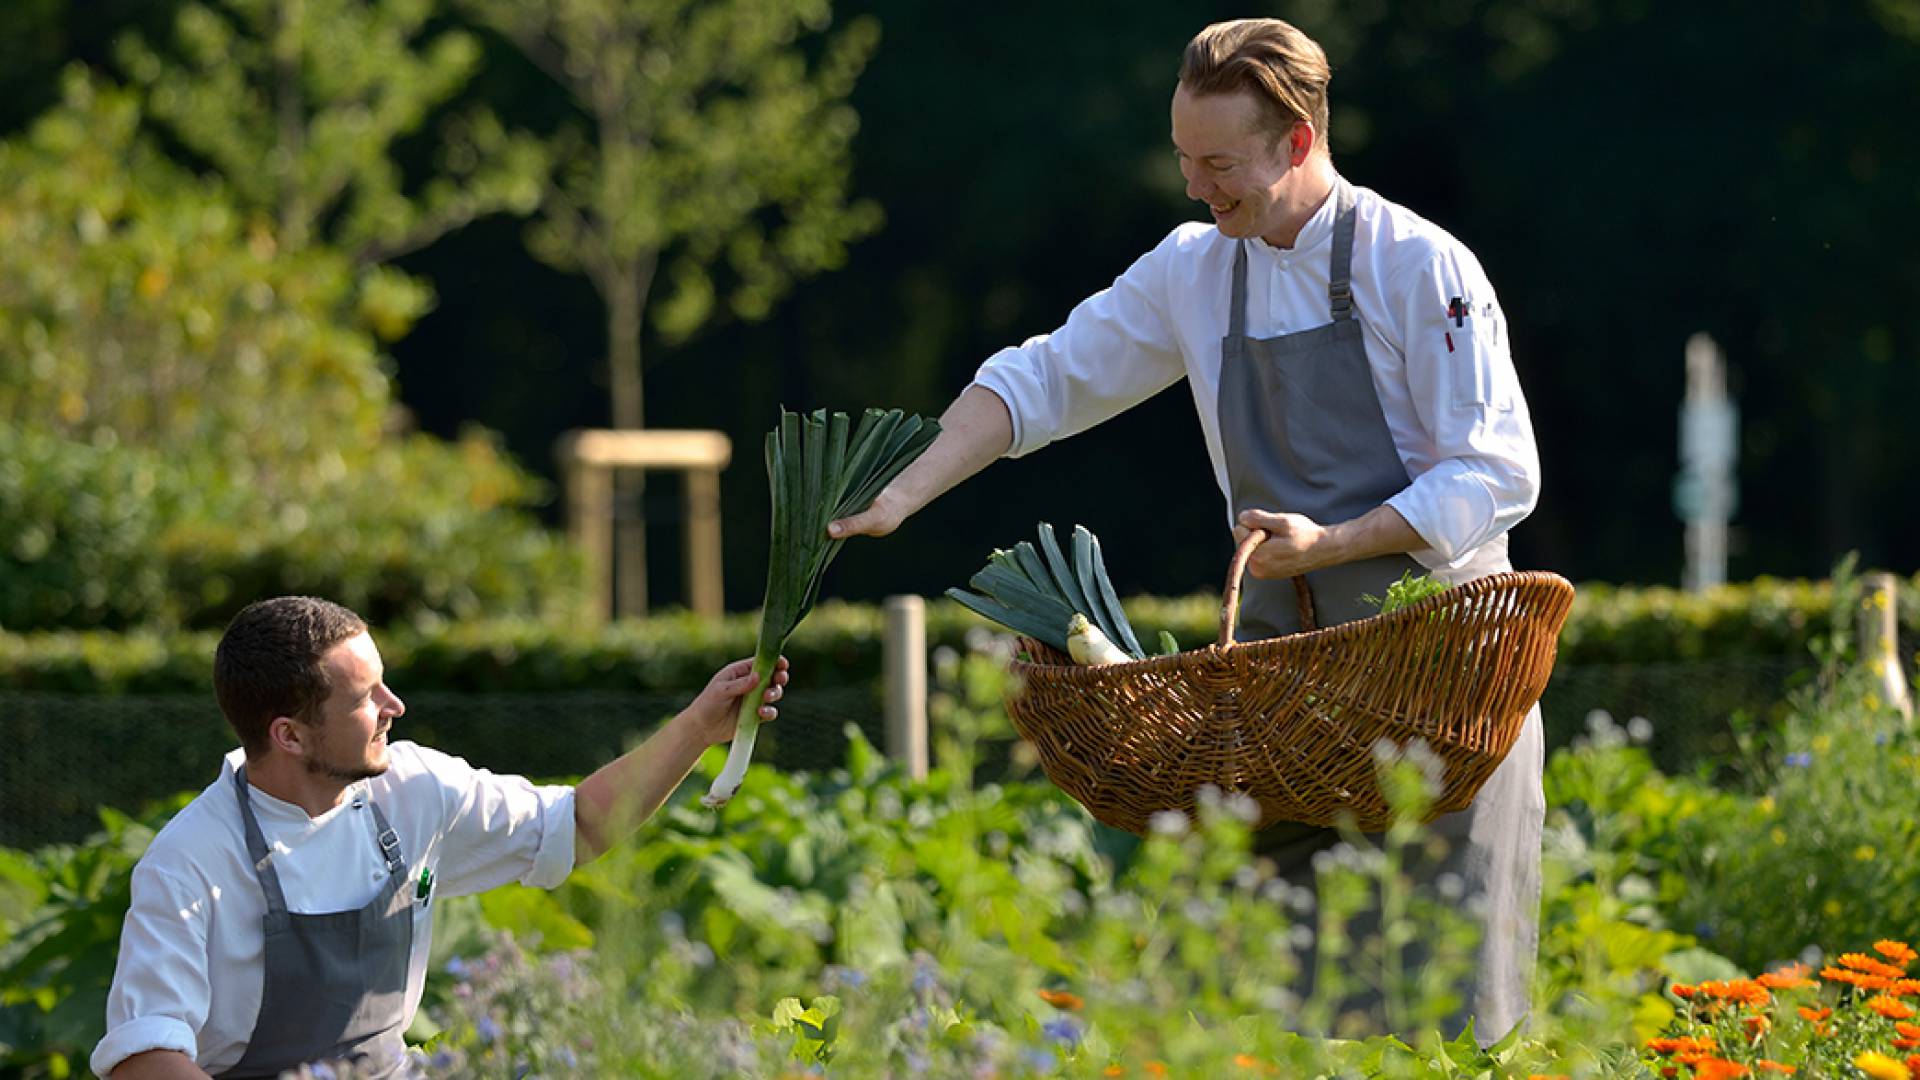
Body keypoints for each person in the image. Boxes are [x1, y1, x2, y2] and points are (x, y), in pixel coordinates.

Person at [829, 18, 1543, 1043]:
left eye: (1219, 164)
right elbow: (1047, 376)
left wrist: (1333, 542)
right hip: (1292, 712)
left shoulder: (1418, 264)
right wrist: (905, 490)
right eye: (1183, 160)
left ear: (1297, 141)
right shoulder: (1195, 270)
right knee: (1274, 1028)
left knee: (1452, 1036)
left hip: (1449, 702)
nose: (1197, 188)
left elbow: (1497, 471)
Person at [90, 596, 789, 1078]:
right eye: (367, 698)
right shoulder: (188, 863)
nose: (395, 707)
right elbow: (145, 1056)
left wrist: (700, 727)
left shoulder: (414, 789)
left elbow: (577, 825)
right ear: (290, 734)